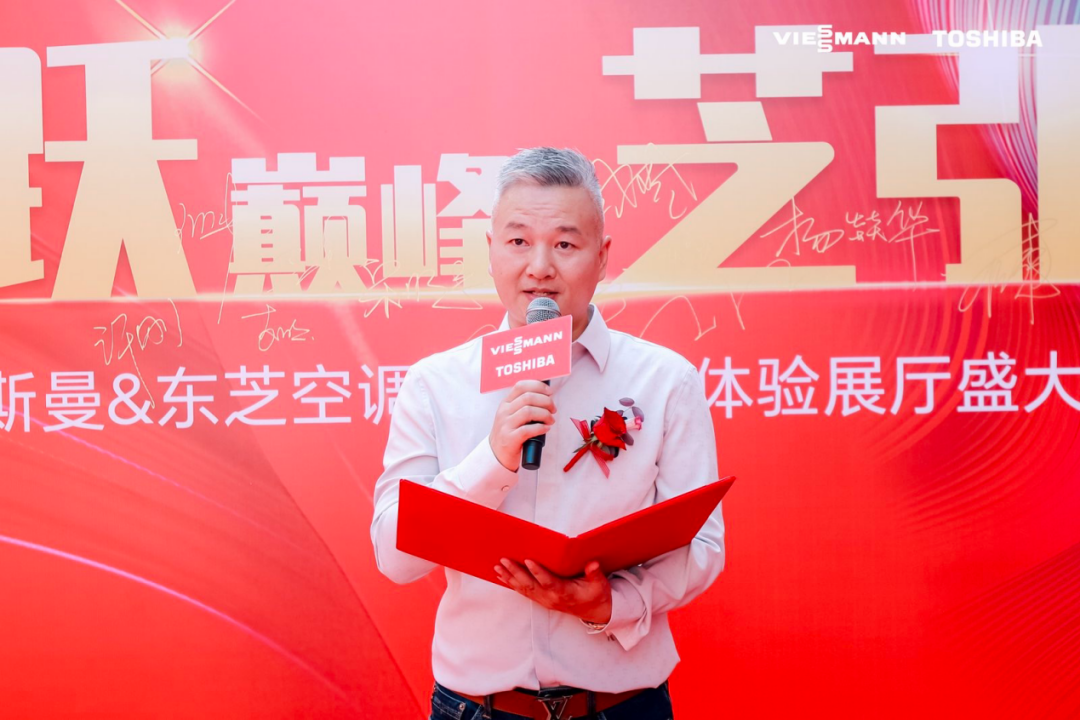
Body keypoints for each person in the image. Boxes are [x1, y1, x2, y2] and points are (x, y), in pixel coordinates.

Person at [370, 147, 725, 720]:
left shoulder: (665, 382)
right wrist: (492, 460)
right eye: (518, 241)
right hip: (476, 708)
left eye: (564, 244)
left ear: (602, 257)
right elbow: (395, 557)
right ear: (491, 252)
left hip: (623, 706)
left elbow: (703, 547)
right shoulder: (435, 384)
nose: (539, 267)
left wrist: (611, 602)